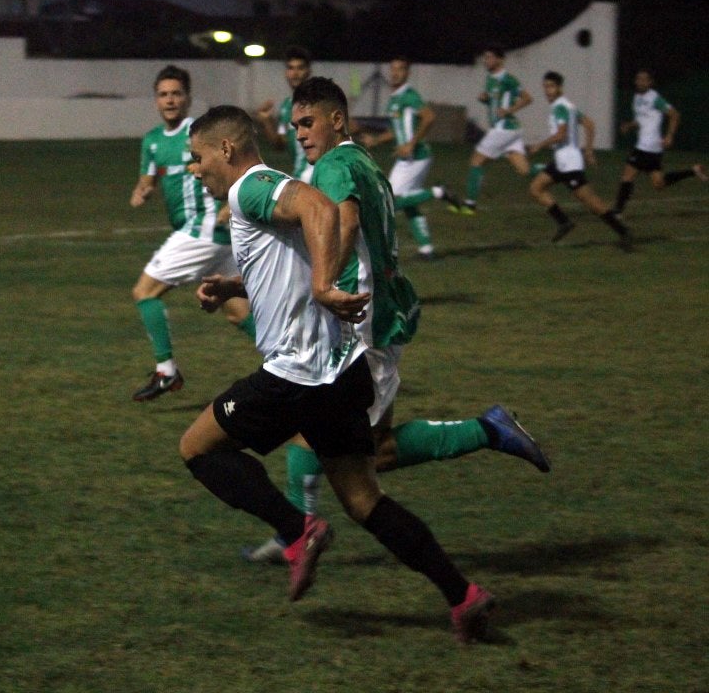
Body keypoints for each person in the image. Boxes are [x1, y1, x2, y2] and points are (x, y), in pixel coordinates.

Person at [183, 104, 497, 644]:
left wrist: (327, 286)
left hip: (296, 376)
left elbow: (320, 208)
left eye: (196, 158)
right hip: (341, 370)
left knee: (198, 448)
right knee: (363, 500)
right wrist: (233, 287)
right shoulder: (272, 185)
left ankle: (296, 530)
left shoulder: (247, 188)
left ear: (226, 150)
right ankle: (463, 595)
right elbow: (295, 252)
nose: (194, 169)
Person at [240, 76, 549, 566]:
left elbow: (345, 223)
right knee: (371, 446)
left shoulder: (336, 165)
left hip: (363, 323)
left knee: (316, 436)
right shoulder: (363, 160)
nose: (299, 133)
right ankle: (488, 431)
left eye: (307, 122)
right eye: (293, 125)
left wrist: (322, 286)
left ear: (336, 119)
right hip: (383, 310)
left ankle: (297, 534)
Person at [129, 65, 256, 401]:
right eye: (163, 94)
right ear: (156, 100)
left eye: (176, 93)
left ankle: (166, 371)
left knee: (145, 292)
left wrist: (231, 202)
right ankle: (293, 361)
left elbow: (234, 165)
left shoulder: (198, 134)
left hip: (202, 229)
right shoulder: (153, 141)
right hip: (214, 237)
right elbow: (148, 179)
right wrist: (142, 190)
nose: (170, 100)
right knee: (237, 310)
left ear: (187, 99)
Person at [359, 56, 461, 260]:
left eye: (401, 69)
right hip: (405, 159)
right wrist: (377, 140)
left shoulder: (409, 95)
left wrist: (411, 144)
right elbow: (396, 130)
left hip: (417, 156)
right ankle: (426, 249)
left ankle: (438, 191)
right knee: (407, 202)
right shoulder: (395, 99)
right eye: (393, 69)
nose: (396, 73)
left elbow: (429, 116)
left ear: (407, 73)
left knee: (392, 202)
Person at [527, 72, 632, 248]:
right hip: (561, 161)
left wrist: (539, 145)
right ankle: (564, 222)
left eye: (551, 86)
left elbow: (561, 135)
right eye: (545, 86)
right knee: (535, 188)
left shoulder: (560, 107)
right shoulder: (569, 106)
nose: (547, 91)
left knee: (591, 203)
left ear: (559, 88)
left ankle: (623, 231)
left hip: (569, 164)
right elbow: (590, 124)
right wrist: (589, 150)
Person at [613, 69, 707, 214]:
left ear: (650, 82)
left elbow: (674, 115)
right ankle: (693, 171)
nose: (641, 81)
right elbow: (642, 120)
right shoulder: (636, 98)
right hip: (650, 148)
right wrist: (630, 125)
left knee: (627, 176)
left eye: (644, 79)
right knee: (659, 183)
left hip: (648, 146)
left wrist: (669, 135)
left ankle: (617, 212)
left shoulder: (655, 98)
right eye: (638, 79)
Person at [454, 46, 534, 214]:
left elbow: (528, 98)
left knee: (476, 161)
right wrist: (485, 99)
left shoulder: (508, 79)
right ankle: (558, 170)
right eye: (485, 57)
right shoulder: (490, 79)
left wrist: (509, 110)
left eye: (489, 57)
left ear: (500, 59)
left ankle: (469, 205)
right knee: (524, 170)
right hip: (510, 130)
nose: (486, 60)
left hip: (503, 129)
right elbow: (495, 102)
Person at [255, 45, 314, 182]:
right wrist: (266, 121)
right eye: (291, 68)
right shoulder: (287, 106)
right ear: (286, 72)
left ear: (308, 71)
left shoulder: (317, 102)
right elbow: (280, 144)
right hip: (300, 175)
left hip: (316, 177)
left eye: (300, 68)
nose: (295, 73)